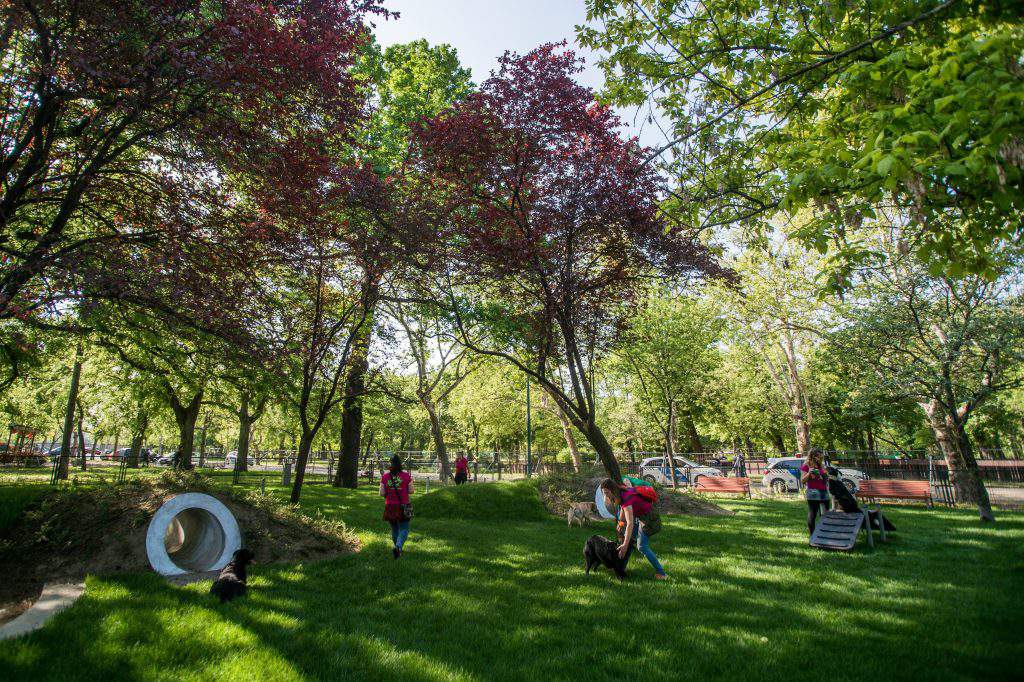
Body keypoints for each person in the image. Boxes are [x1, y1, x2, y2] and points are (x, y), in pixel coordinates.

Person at [600, 478, 667, 580]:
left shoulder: (626, 496)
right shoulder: (619, 492)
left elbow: (630, 523)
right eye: (603, 493)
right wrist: (621, 522)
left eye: (606, 492)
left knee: (642, 547)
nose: (606, 495)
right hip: (639, 516)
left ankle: (662, 573)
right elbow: (623, 507)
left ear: (612, 490)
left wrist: (625, 545)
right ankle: (621, 568)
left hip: (648, 518)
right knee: (629, 539)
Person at [381, 455, 413, 558]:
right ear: (400, 464)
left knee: (395, 529)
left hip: (390, 506)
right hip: (404, 505)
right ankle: (398, 546)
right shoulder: (406, 475)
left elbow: (381, 493)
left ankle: (397, 548)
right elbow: (411, 491)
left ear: (390, 464)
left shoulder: (385, 476)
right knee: (404, 529)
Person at [801, 448, 830, 536]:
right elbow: (802, 480)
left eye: (821, 458)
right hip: (813, 492)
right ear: (813, 456)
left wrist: (824, 476)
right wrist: (809, 473)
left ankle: (824, 532)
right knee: (812, 514)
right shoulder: (806, 465)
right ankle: (812, 534)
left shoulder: (821, 465)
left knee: (825, 514)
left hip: (824, 492)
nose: (820, 459)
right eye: (819, 457)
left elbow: (826, 480)